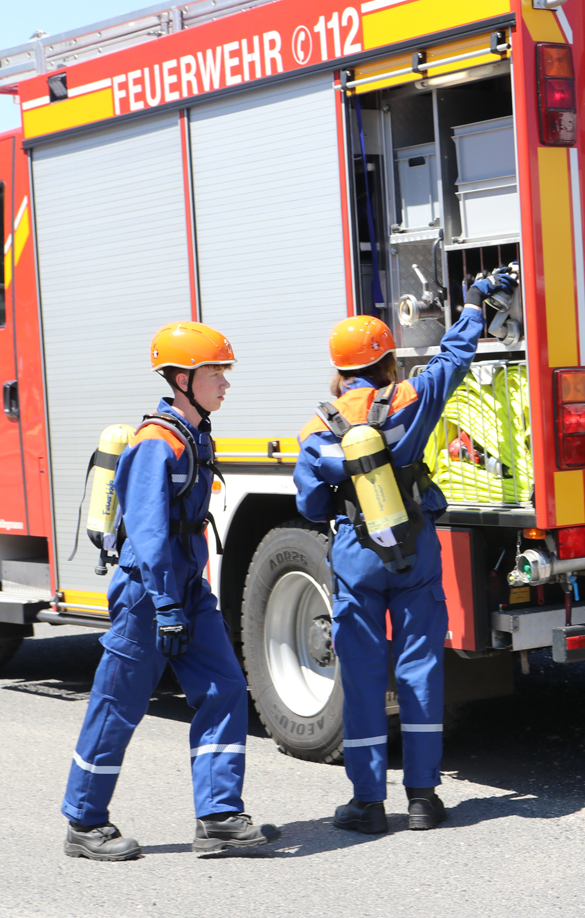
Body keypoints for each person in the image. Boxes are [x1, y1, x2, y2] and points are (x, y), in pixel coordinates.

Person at [294, 268, 512, 834]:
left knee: (363, 678)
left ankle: (368, 803)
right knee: (420, 669)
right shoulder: (413, 397)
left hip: (355, 552)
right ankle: (422, 798)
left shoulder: (317, 427)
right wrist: (473, 303)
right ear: (388, 360)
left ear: (339, 370)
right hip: (414, 549)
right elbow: (454, 359)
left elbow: (311, 506)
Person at [62, 322, 278, 861]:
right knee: (118, 704)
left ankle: (219, 816)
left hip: (187, 591)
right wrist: (164, 606)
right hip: (148, 595)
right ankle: (84, 822)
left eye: (225, 372)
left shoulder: (195, 433)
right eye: (215, 373)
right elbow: (149, 534)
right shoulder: (155, 443)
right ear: (183, 380)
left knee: (225, 688)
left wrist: (184, 598)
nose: (225, 383)